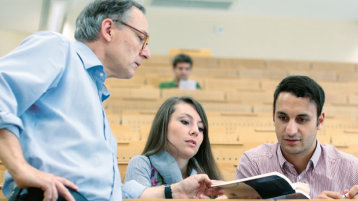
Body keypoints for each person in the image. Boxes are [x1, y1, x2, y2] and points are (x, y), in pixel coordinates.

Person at [0, 0, 222, 200]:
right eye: (141, 38)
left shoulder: (95, 97)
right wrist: (20, 169)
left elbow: (111, 192)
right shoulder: (58, 48)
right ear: (108, 29)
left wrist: (174, 191)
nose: (147, 53)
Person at [236, 75, 358, 199]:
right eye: (283, 118)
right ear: (273, 116)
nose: (290, 130)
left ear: (320, 121)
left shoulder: (352, 169)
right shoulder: (253, 164)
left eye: (302, 119)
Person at [125, 96, 221, 188]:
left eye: (200, 128)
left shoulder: (206, 174)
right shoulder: (141, 165)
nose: (195, 131)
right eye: (185, 122)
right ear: (164, 125)